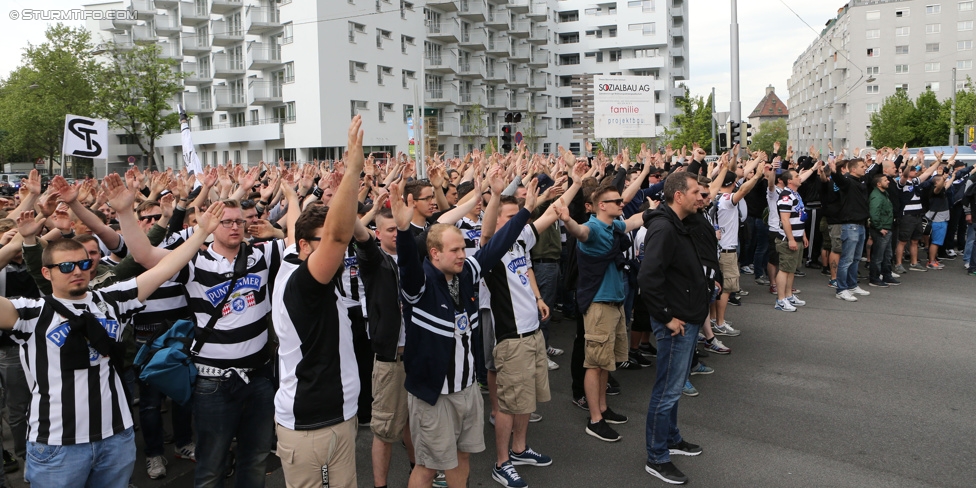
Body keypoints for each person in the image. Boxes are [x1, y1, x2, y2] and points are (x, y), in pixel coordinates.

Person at [0, 202, 224, 488]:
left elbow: (166, 267)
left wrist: (201, 231)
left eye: (83, 263)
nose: (77, 271)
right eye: (66, 266)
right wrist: (19, 241)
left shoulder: (111, 299)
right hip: (58, 445)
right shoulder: (30, 313)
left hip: (115, 439)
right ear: (47, 273)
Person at [391, 172, 537, 488]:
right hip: (435, 394)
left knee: (463, 457)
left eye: (462, 248)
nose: (462, 255)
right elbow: (407, 265)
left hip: (468, 389)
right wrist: (403, 231)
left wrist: (525, 210)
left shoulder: (466, 272)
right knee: (429, 467)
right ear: (434, 254)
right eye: (455, 250)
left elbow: (496, 246)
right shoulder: (421, 285)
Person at [271, 116, 365, 488]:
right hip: (314, 426)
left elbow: (298, 224)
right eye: (321, 242)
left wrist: (294, 198)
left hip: (335, 419)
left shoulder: (295, 254)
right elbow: (340, 237)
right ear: (308, 246)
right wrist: (354, 169)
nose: (333, 249)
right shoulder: (303, 283)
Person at [556, 184, 644, 443]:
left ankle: (603, 408)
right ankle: (595, 420)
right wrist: (567, 219)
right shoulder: (593, 228)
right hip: (599, 305)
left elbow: (634, 221)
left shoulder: (613, 225)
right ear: (600, 206)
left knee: (607, 362)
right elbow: (579, 232)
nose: (621, 203)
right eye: (615, 201)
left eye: (620, 199)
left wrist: (660, 209)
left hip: (614, 304)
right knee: (594, 364)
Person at [638, 171, 710, 485]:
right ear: (678, 195)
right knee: (666, 392)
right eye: (696, 191)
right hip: (675, 324)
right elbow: (647, 279)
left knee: (674, 389)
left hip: (688, 318)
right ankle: (656, 457)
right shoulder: (665, 229)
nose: (702, 196)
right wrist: (666, 318)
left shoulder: (682, 222)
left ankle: (671, 439)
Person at [774, 170, 809, 311]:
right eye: (796, 176)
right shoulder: (786, 196)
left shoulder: (795, 194)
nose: (799, 178)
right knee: (784, 269)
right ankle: (780, 299)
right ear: (789, 181)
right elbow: (785, 219)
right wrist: (791, 239)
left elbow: (799, 215)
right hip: (787, 239)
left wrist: (803, 235)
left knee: (791, 269)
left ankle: (788, 295)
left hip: (797, 236)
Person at [868, 174, 899, 287]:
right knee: (878, 255)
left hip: (887, 227)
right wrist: (879, 227)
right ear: (879, 184)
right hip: (882, 229)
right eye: (885, 180)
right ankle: (874, 278)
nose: (888, 182)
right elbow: (874, 213)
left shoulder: (884, 194)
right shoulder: (877, 196)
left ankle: (887, 275)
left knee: (888, 254)